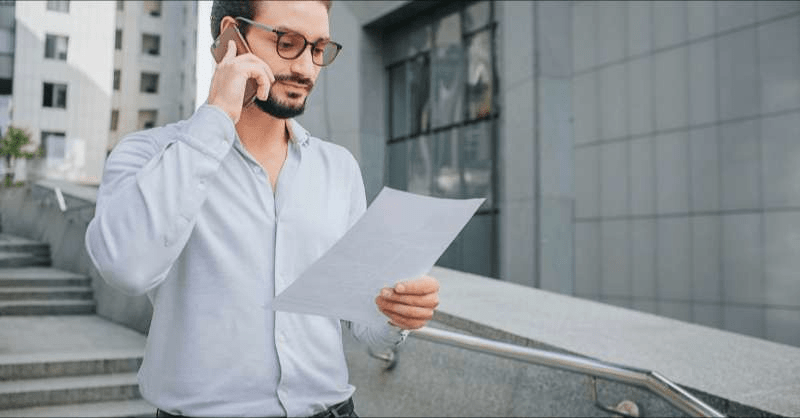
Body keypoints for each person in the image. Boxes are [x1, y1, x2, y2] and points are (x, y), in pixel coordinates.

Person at [84, 1, 440, 417]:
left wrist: (397, 314)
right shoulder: (150, 154)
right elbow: (127, 267)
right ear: (233, 36)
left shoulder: (338, 168)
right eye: (288, 43)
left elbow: (366, 328)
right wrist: (217, 115)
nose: (307, 69)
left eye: (318, 49)